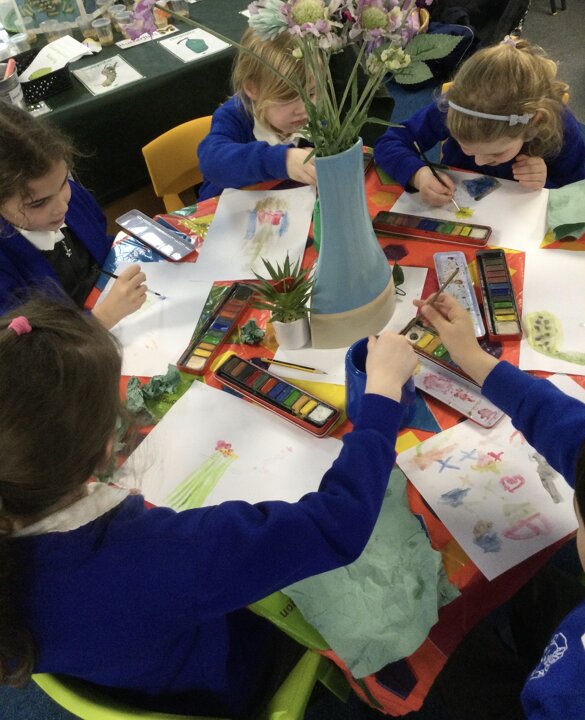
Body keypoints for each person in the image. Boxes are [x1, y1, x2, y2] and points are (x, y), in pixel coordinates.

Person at [0, 295, 417, 718]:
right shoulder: (165, 555)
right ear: (105, 448)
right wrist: (383, 396)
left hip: (139, 671)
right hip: (226, 679)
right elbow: (340, 523)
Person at [414, 292, 585, 719]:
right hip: (562, 631)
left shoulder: (568, 697)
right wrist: (471, 357)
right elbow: (563, 426)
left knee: (449, 660)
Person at [374, 39, 585, 207]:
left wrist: (545, 183)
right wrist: (418, 175)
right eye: (466, 147)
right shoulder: (452, 107)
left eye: (496, 154)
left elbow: (578, 195)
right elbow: (388, 143)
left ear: (532, 123)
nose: (480, 161)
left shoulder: (560, 127)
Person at [0, 103, 146, 328]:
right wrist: (101, 319)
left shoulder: (71, 197)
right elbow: (22, 344)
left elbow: (99, 244)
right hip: (75, 341)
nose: (62, 207)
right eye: (38, 203)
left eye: (63, 183)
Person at [197, 27, 317, 201]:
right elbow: (211, 161)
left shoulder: (314, 115)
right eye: (286, 98)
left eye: (311, 93)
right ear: (252, 89)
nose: (304, 109)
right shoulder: (234, 116)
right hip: (225, 210)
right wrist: (282, 160)